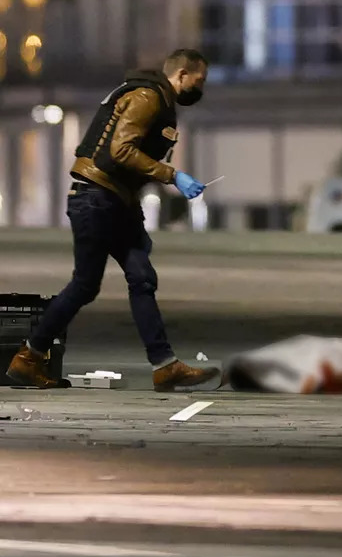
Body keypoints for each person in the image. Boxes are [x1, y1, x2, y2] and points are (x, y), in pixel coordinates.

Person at [6, 49, 220, 392]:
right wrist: (172, 175)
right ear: (181, 75)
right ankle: (28, 359)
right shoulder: (148, 97)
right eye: (199, 80)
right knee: (85, 285)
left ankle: (165, 366)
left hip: (115, 201)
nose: (201, 87)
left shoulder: (154, 98)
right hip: (96, 198)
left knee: (142, 277)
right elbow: (121, 151)